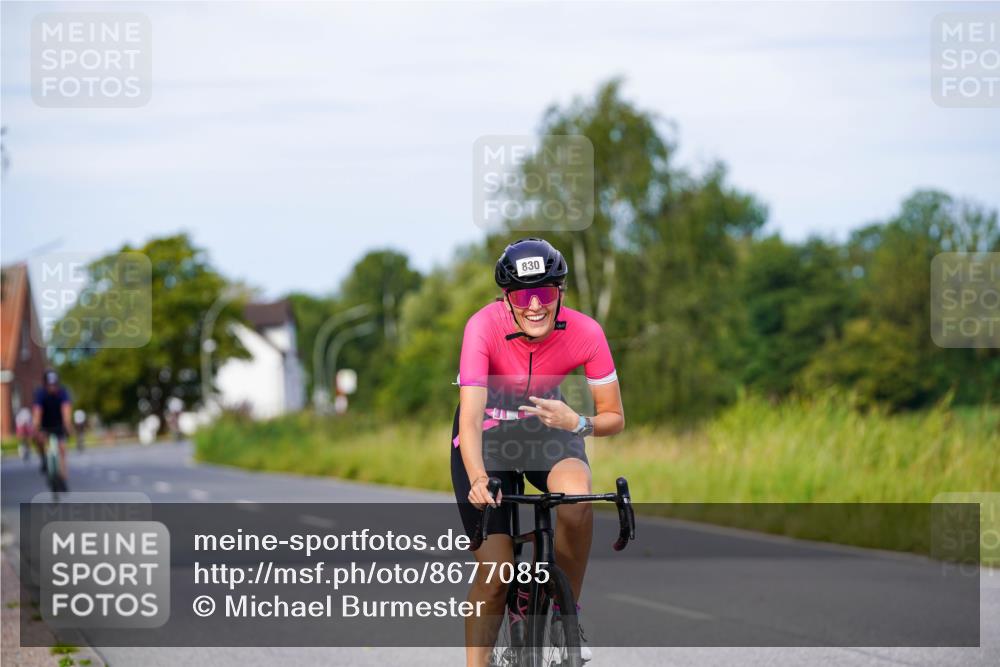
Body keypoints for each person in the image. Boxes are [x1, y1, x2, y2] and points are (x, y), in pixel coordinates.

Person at [452, 238, 625, 666]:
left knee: (577, 501)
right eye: (522, 296)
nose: (534, 306)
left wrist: (578, 423)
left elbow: (614, 417)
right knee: (496, 574)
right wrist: (478, 477)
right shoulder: (482, 326)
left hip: (549, 424)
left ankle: (566, 617)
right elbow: (469, 419)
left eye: (544, 293)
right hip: (487, 436)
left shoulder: (586, 332)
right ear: (506, 297)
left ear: (559, 292)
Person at [32, 369, 74, 488]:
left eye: (54, 384)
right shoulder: (40, 394)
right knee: (39, 440)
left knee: (62, 449)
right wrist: (36, 428)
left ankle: (63, 478)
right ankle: (43, 459)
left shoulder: (63, 393)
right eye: (49, 385)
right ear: (45, 384)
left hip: (59, 425)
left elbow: (66, 409)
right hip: (45, 425)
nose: (52, 387)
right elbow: (37, 412)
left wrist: (68, 425)